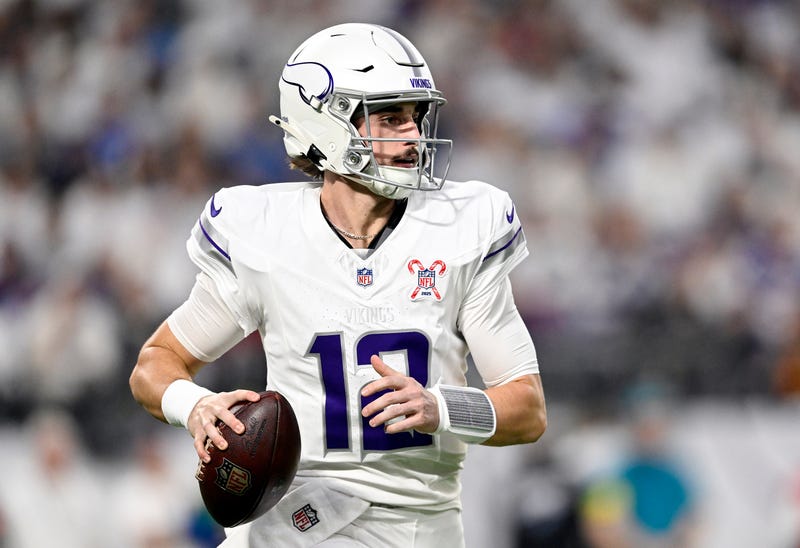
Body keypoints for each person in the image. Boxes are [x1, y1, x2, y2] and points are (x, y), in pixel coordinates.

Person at [130, 23, 546, 548]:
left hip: (413, 527)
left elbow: (528, 409)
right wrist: (194, 406)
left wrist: (441, 408)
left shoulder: (461, 225)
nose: (414, 136)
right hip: (291, 519)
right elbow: (154, 366)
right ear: (326, 126)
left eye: (416, 117)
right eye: (391, 118)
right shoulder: (263, 233)